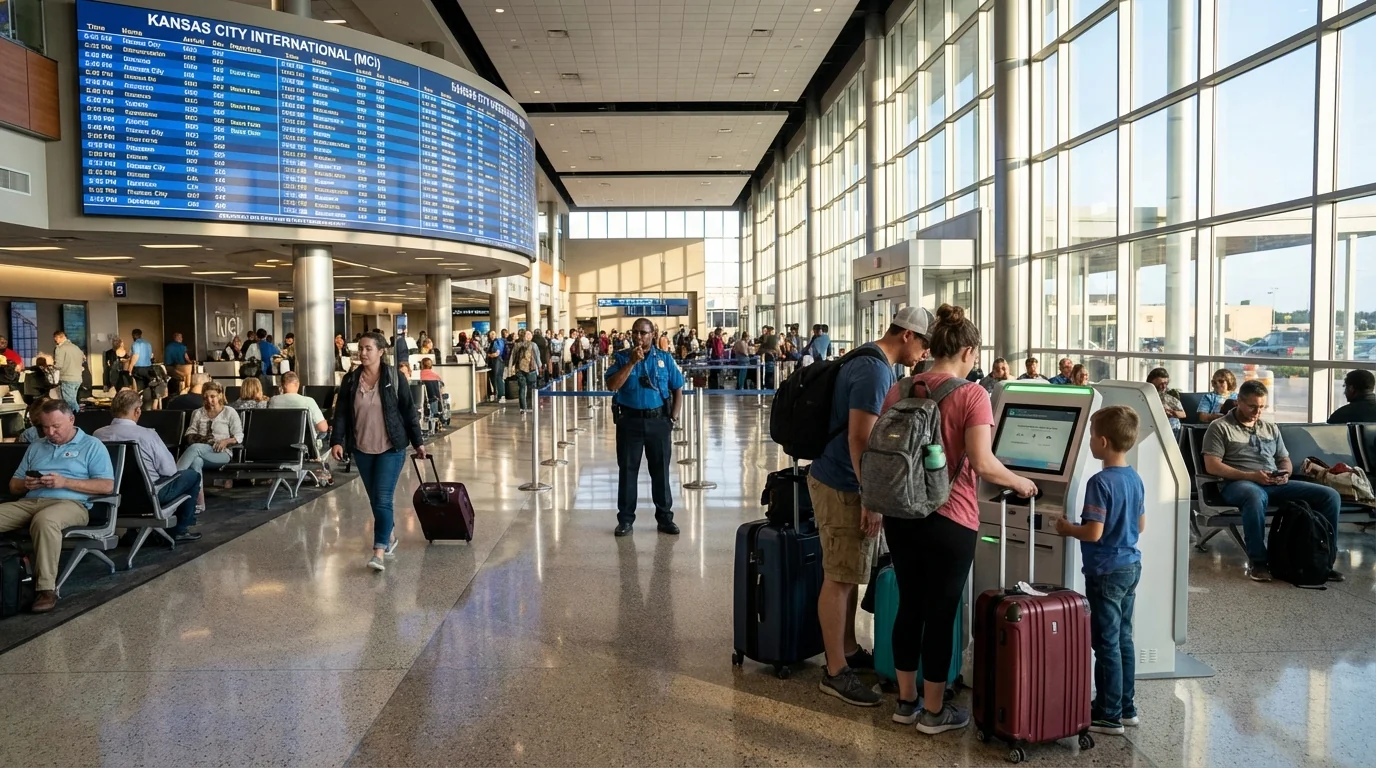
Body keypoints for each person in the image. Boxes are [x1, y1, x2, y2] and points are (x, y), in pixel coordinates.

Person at [876, 305, 1039, 732]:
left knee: (910, 606)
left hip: (901, 512)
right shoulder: (972, 395)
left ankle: (905, 701)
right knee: (941, 611)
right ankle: (934, 712)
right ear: (968, 350)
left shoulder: (901, 388)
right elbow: (983, 464)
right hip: (951, 518)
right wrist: (1020, 482)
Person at [808, 306, 933, 708]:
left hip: (840, 479)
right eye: (924, 344)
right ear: (908, 335)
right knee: (839, 578)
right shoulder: (876, 371)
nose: (924, 355)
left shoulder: (868, 359)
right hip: (844, 484)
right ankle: (835, 671)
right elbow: (860, 438)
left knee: (849, 571)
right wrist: (871, 498)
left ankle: (847, 649)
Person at [1055, 405, 1145, 736]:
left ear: (1103, 442)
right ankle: (1126, 708)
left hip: (1105, 569)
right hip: (1130, 565)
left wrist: (1067, 528)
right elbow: (1141, 523)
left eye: (1091, 436)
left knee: (1105, 643)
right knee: (1123, 638)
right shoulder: (1133, 477)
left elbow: (1093, 532)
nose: (1089, 441)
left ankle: (1107, 713)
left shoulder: (1100, 482)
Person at [1201, 380, 1343, 583]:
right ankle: (1258, 561)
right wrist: (1251, 476)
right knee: (1254, 495)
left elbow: (1283, 458)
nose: (1257, 412)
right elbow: (1212, 466)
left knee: (1329, 496)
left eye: (1261, 407)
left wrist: (1285, 472)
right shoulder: (1220, 427)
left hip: (1273, 483)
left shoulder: (1270, 427)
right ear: (1239, 401)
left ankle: (1323, 559)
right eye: (1252, 406)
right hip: (1238, 484)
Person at [0, 399, 115, 612]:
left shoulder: (91, 445)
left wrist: (65, 482)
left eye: (56, 426)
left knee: (45, 521)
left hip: (71, 504)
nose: (50, 432)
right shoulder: (36, 446)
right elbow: (13, 486)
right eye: (45, 427)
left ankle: (46, 589)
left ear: (71, 419)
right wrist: (26, 483)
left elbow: (107, 486)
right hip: (30, 501)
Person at [329, 332, 426, 572]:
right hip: (362, 448)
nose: (362, 353)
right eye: (360, 348)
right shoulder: (351, 380)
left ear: (381, 351)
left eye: (368, 349)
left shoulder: (394, 377)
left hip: (390, 447)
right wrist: (337, 441)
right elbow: (341, 413)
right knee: (375, 500)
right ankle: (389, 534)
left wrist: (418, 441)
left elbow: (408, 410)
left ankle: (379, 551)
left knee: (383, 499)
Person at [605, 317, 684, 537]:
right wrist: (631, 363)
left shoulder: (665, 359)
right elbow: (612, 385)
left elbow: (677, 387)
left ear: (653, 335)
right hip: (629, 422)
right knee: (628, 472)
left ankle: (665, 518)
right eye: (635, 332)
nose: (639, 337)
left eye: (643, 333)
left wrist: (673, 418)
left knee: (660, 472)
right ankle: (626, 520)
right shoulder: (621, 358)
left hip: (658, 421)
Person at [94, 389, 204, 542]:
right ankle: (180, 529)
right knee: (192, 476)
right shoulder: (147, 435)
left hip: (113, 498)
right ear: (137, 411)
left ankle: (132, 533)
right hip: (149, 497)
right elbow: (170, 470)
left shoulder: (97, 435)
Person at [176, 383, 243, 492]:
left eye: (212, 397)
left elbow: (239, 436)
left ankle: (174, 479)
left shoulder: (229, 412)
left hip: (222, 452)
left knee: (195, 448)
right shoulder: (198, 413)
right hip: (202, 449)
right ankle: (199, 501)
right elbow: (189, 434)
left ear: (220, 395)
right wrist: (207, 441)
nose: (209, 400)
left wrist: (226, 441)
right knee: (196, 461)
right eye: (206, 397)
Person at [269, 371, 330, 437]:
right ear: (298, 384)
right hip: (304, 444)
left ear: (282, 385)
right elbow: (323, 428)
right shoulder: (309, 401)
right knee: (324, 433)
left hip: (279, 441)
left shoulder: (273, 401)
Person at [52, 330, 86, 412]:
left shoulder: (60, 348)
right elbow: (83, 359)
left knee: (69, 402)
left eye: (55, 338)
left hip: (67, 378)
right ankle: (73, 418)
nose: (55, 341)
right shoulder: (76, 347)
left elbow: (58, 365)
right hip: (78, 378)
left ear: (59, 337)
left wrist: (52, 365)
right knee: (73, 399)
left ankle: (77, 418)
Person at [1147, 367, 1186, 437]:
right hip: (1150, 424)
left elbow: (1183, 414)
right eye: (1160, 384)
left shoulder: (1170, 396)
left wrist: (1172, 413)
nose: (1163, 386)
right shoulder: (1144, 395)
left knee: (1173, 421)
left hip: (1168, 426)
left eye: (1166, 383)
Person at [509, 329, 542, 413]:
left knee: (522, 389)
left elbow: (512, 358)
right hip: (531, 369)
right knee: (531, 389)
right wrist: (540, 368)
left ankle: (523, 408)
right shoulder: (533, 345)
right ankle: (530, 407)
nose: (528, 336)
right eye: (527, 334)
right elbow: (537, 358)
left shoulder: (517, 345)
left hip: (520, 369)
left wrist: (511, 369)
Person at [129, 328, 157, 393]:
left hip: (138, 369)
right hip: (149, 368)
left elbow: (135, 356)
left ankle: (136, 398)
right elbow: (151, 356)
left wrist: (130, 368)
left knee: (135, 386)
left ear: (134, 335)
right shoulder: (148, 344)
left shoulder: (135, 344)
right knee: (148, 387)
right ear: (140, 335)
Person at [486, 330, 507, 403]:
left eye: (493, 334)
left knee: (498, 377)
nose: (491, 335)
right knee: (493, 378)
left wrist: (489, 355)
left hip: (498, 361)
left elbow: (497, 353)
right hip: (492, 362)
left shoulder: (498, 341)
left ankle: (501, 395)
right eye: (490, 334)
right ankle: (497, 394)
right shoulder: (490, 343)